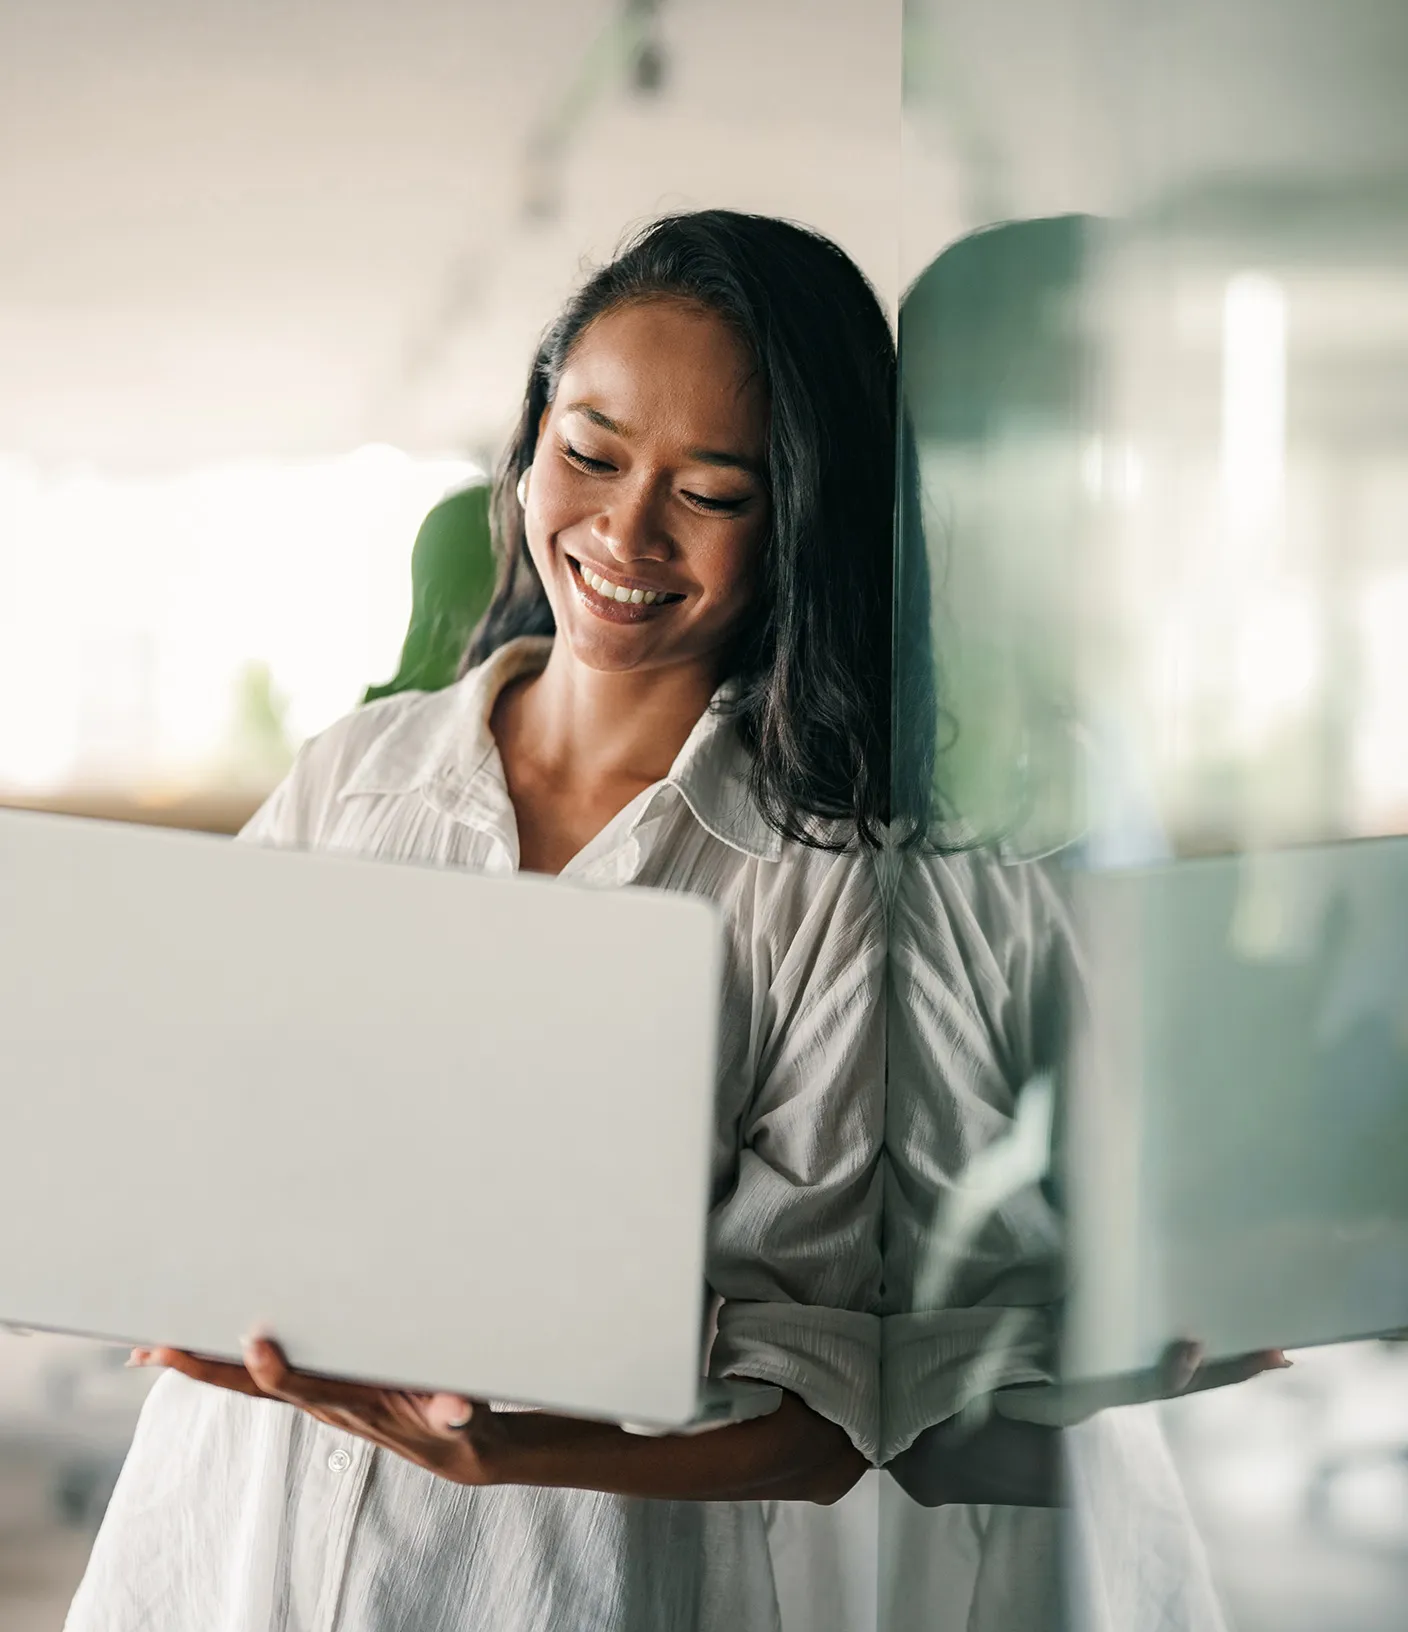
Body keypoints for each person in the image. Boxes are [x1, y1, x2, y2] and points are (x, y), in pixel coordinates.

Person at [66, 210, 895, 1632]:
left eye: (714, 490)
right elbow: (191, 1122)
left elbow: (829, 1420)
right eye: (589, 453)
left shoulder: (818, 887)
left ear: (801, 521)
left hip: (542, 1584)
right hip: (226, 1544)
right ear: (526, 451)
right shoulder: (358, 774)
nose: (626, 530)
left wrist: (501, 1448)